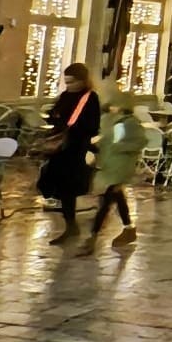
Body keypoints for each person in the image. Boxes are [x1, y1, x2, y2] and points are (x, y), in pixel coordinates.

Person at [38, 63, 102, 246]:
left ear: (82, 81)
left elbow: (92, 125)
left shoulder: (90, 98)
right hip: (60, 148)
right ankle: (70, 224)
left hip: (75, 148)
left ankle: (72, 226)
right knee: (53, 183)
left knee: (69, 188)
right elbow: (55, 114)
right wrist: (53, 117)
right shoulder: (66, 95)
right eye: (66, 82)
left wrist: (72, 128)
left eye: (72, 82)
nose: (69, 86)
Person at [79, 94, 146, 255]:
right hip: (109, 166)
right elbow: (106, 140)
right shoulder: (109, 121)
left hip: (120, 168)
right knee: (116, 197)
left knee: (106, 201)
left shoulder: (131, 123)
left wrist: (120, 148)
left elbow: (139, 142)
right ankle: (129, 228)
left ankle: (92, 239)